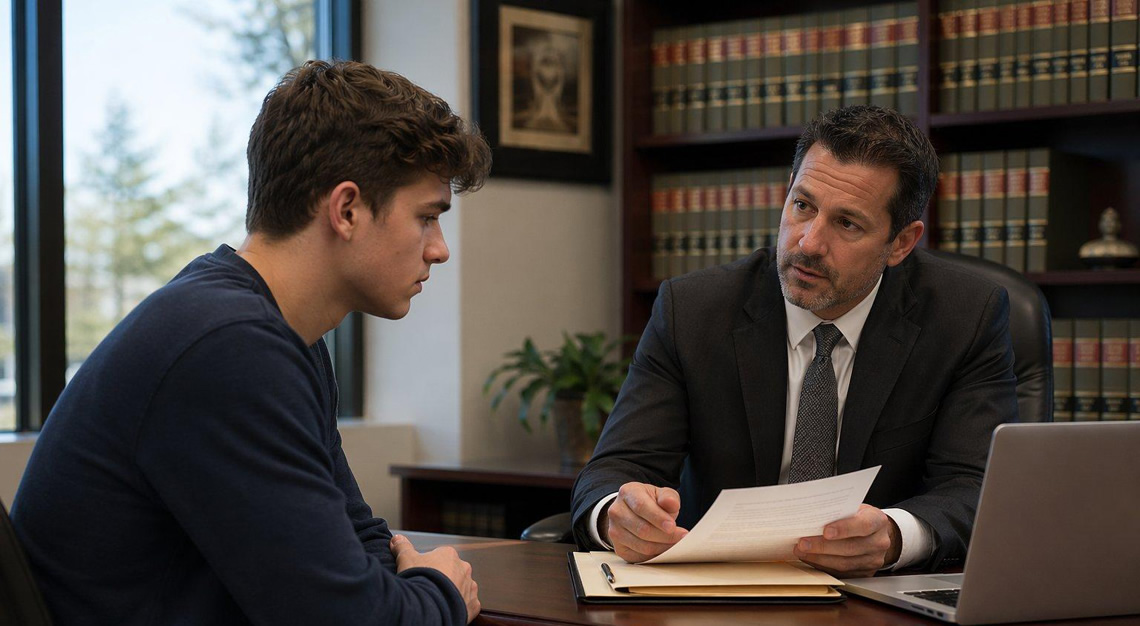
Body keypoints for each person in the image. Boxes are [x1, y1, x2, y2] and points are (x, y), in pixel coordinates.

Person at [12, 60, 491, 625]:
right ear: (347, 210)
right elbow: (347, 618)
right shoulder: (230, 346)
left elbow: (356, 539)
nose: (439, 249)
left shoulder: (274, 330)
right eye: (427, 217)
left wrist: (407, 586)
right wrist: (440, 592)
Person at [571, 105, 1017, 578]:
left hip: (875, 598)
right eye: (802, 205)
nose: (808, 243)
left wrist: (894, 536)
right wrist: (618, 516)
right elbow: (615, 469)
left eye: (847, 224)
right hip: (721, 592)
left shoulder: (965, 317)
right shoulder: (695, 310)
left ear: (902, 243)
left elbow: (977, 487)